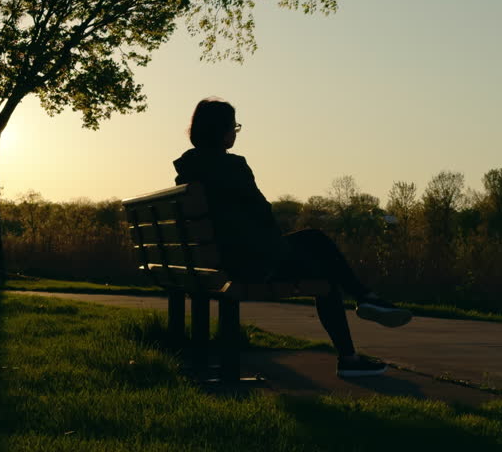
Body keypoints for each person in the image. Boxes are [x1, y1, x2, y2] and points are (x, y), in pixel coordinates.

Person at [173, 97, 412, 377]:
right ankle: (361, 316)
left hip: (212, 264)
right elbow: (263, 214)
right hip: (246, 266)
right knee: (317, 247)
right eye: (233, 127)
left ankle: (363, 310)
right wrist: (277, 245)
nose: (235, 133)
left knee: (320, 259)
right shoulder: (233, 167)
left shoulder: (187, 170)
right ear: (221, 130)